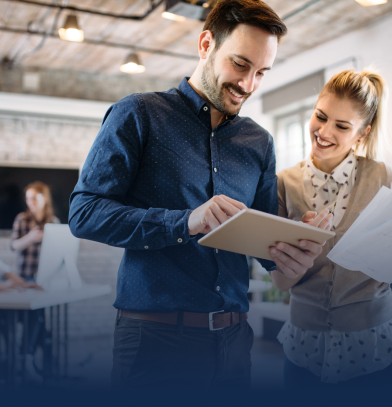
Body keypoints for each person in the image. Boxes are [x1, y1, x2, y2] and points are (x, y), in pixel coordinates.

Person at [68, 0, 331, 402]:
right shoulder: (138, 114)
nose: (248, 84)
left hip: (234, 343)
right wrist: (186, 222)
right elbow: (84, 213)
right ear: (206, 43)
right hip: (155, 342)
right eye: (240, 64)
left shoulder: (258, 142)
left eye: (261, 73)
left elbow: (263, 245)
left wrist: (292, 248)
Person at [272, 69, 392, 406]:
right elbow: (281, 282)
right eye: (320, 117)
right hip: (305, 349)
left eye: (342, 126)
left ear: (363, 133)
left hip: (375, 348)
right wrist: (298, 249)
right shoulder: (282, 183)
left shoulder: (383, 176)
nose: (324, 132)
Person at [9, 181, 58, 381]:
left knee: (38, 320)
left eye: (34, 198)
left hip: (43, 280)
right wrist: (30, 238)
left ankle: (28, 359)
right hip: (23, 278)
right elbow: (14, 246)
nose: (30, 202)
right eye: (27, 198)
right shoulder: (22, 219)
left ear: (44, 198)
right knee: (35, 320)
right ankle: (30, 360)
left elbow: (58, 254)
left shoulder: (53, 222)